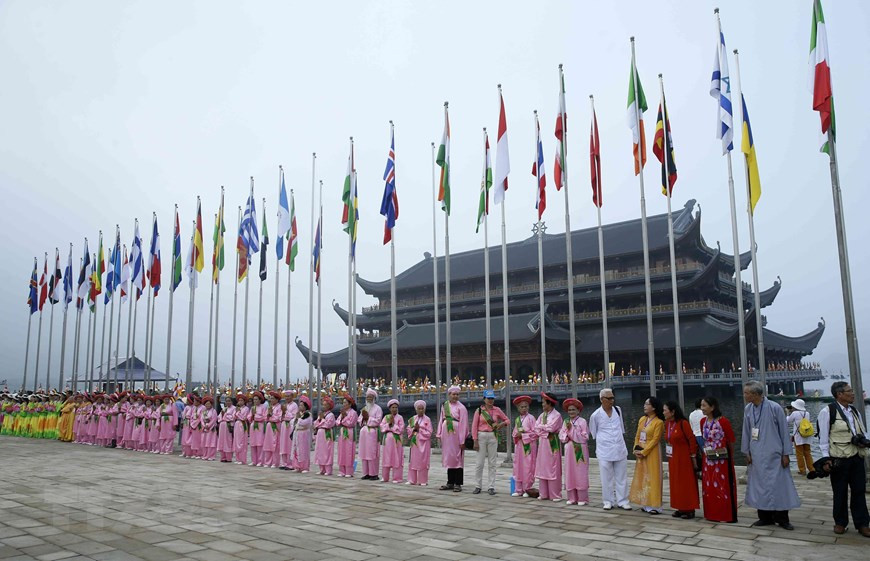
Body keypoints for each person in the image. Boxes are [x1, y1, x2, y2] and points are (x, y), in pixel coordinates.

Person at [742, 380, 801, 530]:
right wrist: (746, 451)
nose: (745, 395)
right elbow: (747, 431)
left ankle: (782, 518)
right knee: (759, 485)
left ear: (755, 394)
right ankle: (764, 517)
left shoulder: (774, 408)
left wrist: (786, 453)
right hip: (756, 453)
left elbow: (783, 431)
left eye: (746, 393)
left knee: (779, 486)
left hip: (774, 453)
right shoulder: (748, 409)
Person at [817, 381, 869, 536]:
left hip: (856, 457)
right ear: (839, 394)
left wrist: (864, 441)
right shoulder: (828, 411)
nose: (853, 393)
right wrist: (826, 459)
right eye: (849, 391)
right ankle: (840, 522)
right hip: (839, 457)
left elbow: (862, 431)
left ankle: (863, 523)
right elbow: (823, 438)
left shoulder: (854, 411)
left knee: (859, 490)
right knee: (839, 491)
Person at [589, 388, 631, 510]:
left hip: (619, 447)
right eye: (609, 398)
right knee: (606, 478)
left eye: (613, 398)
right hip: (604, 450)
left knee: (622, 476)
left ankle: (623, 500)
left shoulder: (618, 410)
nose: (612, 400)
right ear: (602, 400)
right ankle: (608, 501)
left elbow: (621, 428)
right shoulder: (595, 415)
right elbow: (594, 432)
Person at [699, 396, 737, 523]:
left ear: (712, 407)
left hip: (721, 459)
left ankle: (725, 514)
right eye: (701, 405)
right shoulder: (702, 422)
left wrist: (730, 456)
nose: (702, 408)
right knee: (709, 486)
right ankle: (711, 513)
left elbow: (731, 440)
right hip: (708, 459)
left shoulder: (723, 421)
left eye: (704, 405)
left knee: (722, 486)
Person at [663, 401, 699, 519]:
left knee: (686, 483)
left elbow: (692, 439)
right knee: (675, 482)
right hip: (673, 457)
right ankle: (679, 507)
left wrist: (693, 455)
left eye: (665, 410)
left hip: (684, 458)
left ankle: (689, 508)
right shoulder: (668, 424)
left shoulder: (683, 423)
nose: (663, 413)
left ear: (673, 412)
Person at [629, 396, 664, 514]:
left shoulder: (659, 422)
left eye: (647, 404)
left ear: (653, 407)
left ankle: (655, 505)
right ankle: (645, 502)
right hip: (641, 449)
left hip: (652, 452)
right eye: (644, 403)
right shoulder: (642, 420)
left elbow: (655, 440)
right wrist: (635, 448)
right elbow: (637, 435)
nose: (644, 406)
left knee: (653, 476)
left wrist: (644, 452)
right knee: (643, 476)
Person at [471, 389, 508, 495]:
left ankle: (491, 486)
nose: (490, 401)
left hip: (493, 436)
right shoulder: (479, 411)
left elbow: (507, 420)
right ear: (484, 399)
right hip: (481, 436)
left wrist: (500, 425)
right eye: (488, 398)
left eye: (492, 399)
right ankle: (478, 486)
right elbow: (474, 426)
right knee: (479, 463)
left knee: (492, 463)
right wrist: (475, 440)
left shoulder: (497, 410)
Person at [437, 385, 468, 492]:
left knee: (458, 457)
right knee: (449, 457)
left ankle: (458, 483)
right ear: (449, 395)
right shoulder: (445, 406)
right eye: (453, 394)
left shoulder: (462, 408)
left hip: (457, 434)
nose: (455, 396)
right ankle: (450, 482)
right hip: (447, 435)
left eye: (457, 394)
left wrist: (462, 440)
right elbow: (441, 419)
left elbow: (464, 424)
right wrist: (439, 433)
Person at [559, 398, 589, 506]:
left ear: (578, 411)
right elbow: (562, 436)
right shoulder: (566, 421)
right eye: (569, 410)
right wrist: (567, 435)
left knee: (580, 472)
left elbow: (585, 437)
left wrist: (572, 430)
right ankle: (571, 497)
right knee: (570, 471)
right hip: (569, 449)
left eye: (573, 409)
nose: (571, 412)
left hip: (580, 448)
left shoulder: (582, 421)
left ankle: (582, 498)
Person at [535, 392, 563, 501]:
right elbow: (536, 428)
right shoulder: (542, 415)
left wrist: (542, 428)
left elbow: (551, 428)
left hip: (552, 443)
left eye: (543, 403)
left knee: (553, 467)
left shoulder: (557, 415)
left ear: (549, 403)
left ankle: (555, 494)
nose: (542, 405)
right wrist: (544, 430)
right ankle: (543, 493)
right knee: (543, 466)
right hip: (543, 443)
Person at [511, 395, 537, 498]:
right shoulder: (517, 419)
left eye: (526, 406)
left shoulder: (531, 418)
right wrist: (516, 436)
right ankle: (518, 489)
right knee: (518, 466)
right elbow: (514, 433)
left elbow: (535, 433)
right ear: (518, 408)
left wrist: (523, 435)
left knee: (528, 467)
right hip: (520, 446)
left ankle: (527, 489)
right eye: (521, 407)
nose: (524, 408)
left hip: (528, 445)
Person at [358, 388, 383, 480]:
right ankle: (366, 473)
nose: (369, 399)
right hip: (364, 432)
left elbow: (378, 421)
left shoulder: (378, 409)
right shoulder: (364, 408)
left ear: (374, 398)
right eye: (367, 397)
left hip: (372, 432)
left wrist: (368, 418)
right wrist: (363, 418)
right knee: (364, 453)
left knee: (372, 453)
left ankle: (374, 473)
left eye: (370, 397)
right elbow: (359, 419)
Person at [406, 400, 432, 486]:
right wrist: (414, 429)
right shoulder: (413, 419)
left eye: (422, 409)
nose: (421, 410)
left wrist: (419, 429)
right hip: (415, 442)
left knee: (423, 461)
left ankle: (423, 480)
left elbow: (429, 432)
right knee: (413, 460)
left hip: (424, 443)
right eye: (419, 409)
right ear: (416, 410)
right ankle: (412, 480)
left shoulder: (427, 419)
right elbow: (408, 429)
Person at [786, 399, 814, 476]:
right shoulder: (807, 413)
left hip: (798, 436)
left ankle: (802, 470)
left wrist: (788, 413)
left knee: (799, 454)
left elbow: (788, 420)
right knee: (808, 453)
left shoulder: (795, 413)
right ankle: (811, 469)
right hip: (807, 435)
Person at [380, 399, 405, 483]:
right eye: (393, 407)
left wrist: (393, 426)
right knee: (386, 457)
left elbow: (401, 429)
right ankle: (385, 477)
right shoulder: (386, 417)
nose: (394, 409)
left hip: (397, 441)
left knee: (397, 457)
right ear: (390, 409)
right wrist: (389, 424)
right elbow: (382, 427)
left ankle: (397, 477)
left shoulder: (400, 417)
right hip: (387, 441)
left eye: (396, 407)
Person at [337, 396, 358, 477]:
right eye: (343, 402)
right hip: (342, 432)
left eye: (345, 402)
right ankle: (342, 470)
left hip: (349, 432)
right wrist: (342, 416)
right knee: (341, 451)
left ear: (350, 404)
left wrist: (344, 417)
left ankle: (349, 471)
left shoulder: (353, 413)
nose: (344, 404)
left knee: (349, 451)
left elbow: (350, 423)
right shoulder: (343, 412)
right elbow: (337, 422)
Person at [313, 396, 336, 475]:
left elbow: (328, 424)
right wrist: (320, 420)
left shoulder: (331, 415)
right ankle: (321, 468)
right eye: (323, 405)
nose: (324, 406)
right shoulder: (321, 415)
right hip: (320, 434)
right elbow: (315, 424)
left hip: (327, 433)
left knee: (327, 450)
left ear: (329, 406)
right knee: (320, 450)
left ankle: (328, 469)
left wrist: (321, 420)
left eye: (325, 405)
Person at [291, 395, 312, 473]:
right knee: (296, 449)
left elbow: (305, 423)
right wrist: (296, 418)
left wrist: (298, 418)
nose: (300, 406)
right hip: (297, 433)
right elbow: (292, 422)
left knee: (304, 450)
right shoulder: (299, 414)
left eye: (302, 405)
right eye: (299, 405)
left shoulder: (308, 415)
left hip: (304, 434)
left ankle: (305, 467)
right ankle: (297, 466)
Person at [263, 391, 282, 468]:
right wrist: (268, 415)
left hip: (275, 427)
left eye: (273, 398)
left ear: (277, 399)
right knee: (268, 444)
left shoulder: (279, 407)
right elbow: (264, 417)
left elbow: (278, 418)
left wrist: (271, 415)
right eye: (270, 398)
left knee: (275, 444)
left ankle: (275, 462)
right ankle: (268, 462)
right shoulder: (270, 407)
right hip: (269, 427)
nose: (271, 400)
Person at [249, 391, 268, 467]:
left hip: (260, 426)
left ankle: (260, 461)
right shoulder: (253, 408)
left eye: (257, 399)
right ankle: (254, 461)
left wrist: (256, 416)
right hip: (253, 426)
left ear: (260, 400)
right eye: (254, 399)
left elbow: (264, 417)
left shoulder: (263, 407)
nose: (255, 401)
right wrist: (252, 415)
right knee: (253, 444)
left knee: (260, 444)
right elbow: (249, 417)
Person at [217, 395, 236, 462]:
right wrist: (223, 415)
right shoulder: (224, 408)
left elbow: (233, 417)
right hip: (222, 426)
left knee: (228, 441)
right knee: (222, 440)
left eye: (229, 401)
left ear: (232, 402)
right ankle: (223, 457)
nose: (228, 402)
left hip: (228, 426)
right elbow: (219, 417)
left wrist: (225, 416)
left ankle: (228, 457)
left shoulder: (234, 408)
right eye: (226, 401)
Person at [233, 394, 250, 465]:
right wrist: (236, 412)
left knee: (242, 441)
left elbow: (243, 418)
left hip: (242, 425)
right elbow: (233, 417)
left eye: (241, 400)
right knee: (236, 441)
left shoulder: (246, 408)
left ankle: (242, 459)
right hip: (237, 424)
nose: (240, 402)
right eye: (239, 400)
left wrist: (237, 412)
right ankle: (237, 458)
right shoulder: (237, 408)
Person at [200, 396, 218, 461]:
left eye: (209, 404)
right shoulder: (204, 411)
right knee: (204, 442)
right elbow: (201, 419)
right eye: (206, 404)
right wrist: (204, 425)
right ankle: (205, 455)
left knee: (211, 442)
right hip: (204, 428)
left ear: (211, 404)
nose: (207, 405)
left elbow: (214, 419)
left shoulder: (214, 411)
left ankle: (211, 456)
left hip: (211, 429)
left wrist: (209, 425)